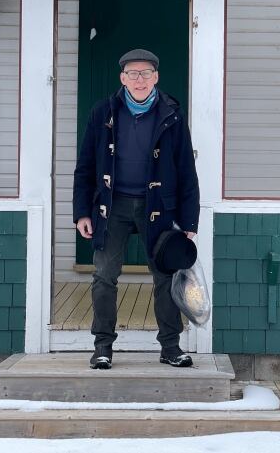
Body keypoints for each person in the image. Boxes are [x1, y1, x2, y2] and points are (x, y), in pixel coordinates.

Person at [72, 48, 200, 370]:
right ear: (122, 78)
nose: (139, 79)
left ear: (156, 77)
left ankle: (170, 347)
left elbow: (185, 169)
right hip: (111, 207)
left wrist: (189, 221)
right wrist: (82, 212)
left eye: (145, 73)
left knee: (165, 277)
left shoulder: (171, 114)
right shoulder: (103, 112)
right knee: (104, 275)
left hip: (157, 206)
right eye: (132, 73)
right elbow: (85, 166)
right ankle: (102, 347)